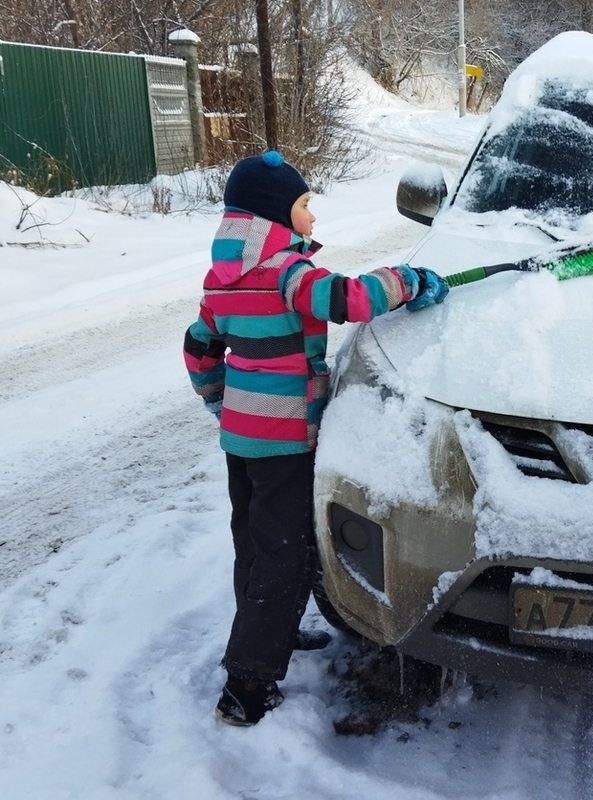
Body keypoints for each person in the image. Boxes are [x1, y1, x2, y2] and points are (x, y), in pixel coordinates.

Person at [182, 150, 449, 726]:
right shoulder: (284, 271)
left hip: (241, 439)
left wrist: (216, 399)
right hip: (282, 441)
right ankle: (246, 686)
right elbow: (347, 299)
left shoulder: (219, 279)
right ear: (275, 216)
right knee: (286, 555)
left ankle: (265, 630)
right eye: (304, 205)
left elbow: (199, 345)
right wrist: (407, 281)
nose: (312, 216)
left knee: (255, 548)